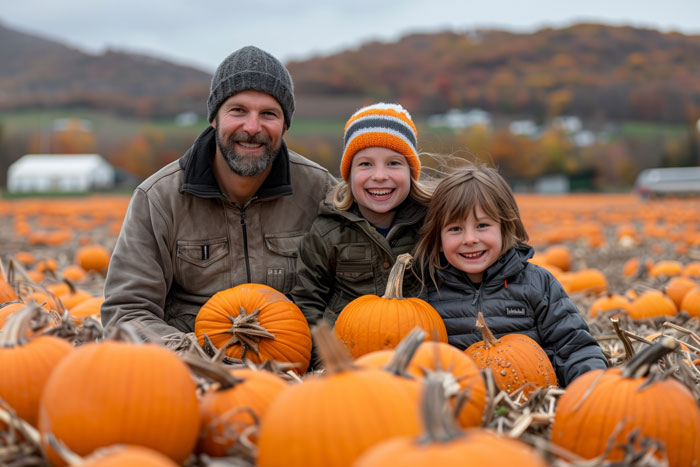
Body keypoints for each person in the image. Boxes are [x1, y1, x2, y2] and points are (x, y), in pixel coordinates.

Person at [101, 45, 337, 338]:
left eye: (268, 114)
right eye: (238, 110)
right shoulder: (159, 199)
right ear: (214, 118)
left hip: (294, 365)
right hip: (193, 369)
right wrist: (192, 355)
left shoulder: (321, 192)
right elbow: (127, 311)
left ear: (285, 125)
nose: (252, 127)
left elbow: (353, 292)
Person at [413, 166, 607, 386]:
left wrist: (591, 386)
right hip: (463, 406)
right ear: (437, 239)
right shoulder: (427, 292)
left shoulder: (536, 283)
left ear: (505, 228)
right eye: (455, 229)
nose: (469, 239)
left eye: (482, 225)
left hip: (531, 399)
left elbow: (574, 346)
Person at [290, 103, 433, 327]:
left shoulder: (430, 225)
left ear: (411, 172)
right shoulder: (328, 232)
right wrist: (327, 358)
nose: (379, 176)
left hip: (419, 352)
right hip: (349, 353)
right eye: (365, 164)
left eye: (393, 163)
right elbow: (308, 303)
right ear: (349, 174)